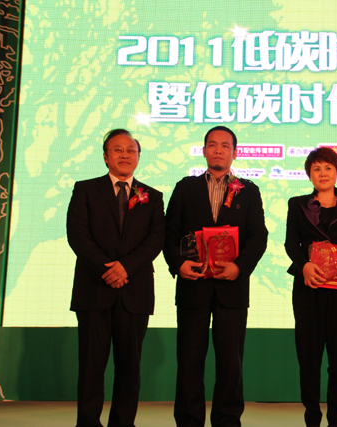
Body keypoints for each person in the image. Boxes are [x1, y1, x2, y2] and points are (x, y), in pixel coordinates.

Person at [163, 126, 268, 427]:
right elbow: (169, 233)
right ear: (204, 150)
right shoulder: (186, 188)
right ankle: (188, 420)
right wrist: (178, 265)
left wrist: (240, 267)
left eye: (225, 145)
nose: (218, 150)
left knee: (231, 363)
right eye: (212, 144)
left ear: (235, 152)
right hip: (193, 286)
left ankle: (228, 420)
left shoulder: (248, 191)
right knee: (189, 361)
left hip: (231, 288)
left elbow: (258, 236)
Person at [67, 129, 165, 427]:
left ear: (138, 157)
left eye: (131, 150)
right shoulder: (85, 189)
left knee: (129, 368)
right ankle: (87, 422)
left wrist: (126, 268)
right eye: (118, 150)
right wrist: (107, 269)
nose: (125, 155)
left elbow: (156, 239)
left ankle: (123, 423)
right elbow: (77, 235)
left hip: (134, 291)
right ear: (105, 156)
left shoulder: (152, 196)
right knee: (91, 366)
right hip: (94, 289)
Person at [284, 147, 337, 427]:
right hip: (309, 288)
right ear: (309, 175)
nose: (323, 174)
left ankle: (336, 417)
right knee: (308, 357)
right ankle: (311, 416)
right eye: (317, 169)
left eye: (328, 168)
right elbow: (291, 243)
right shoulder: (297, 204)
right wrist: (304, 266)